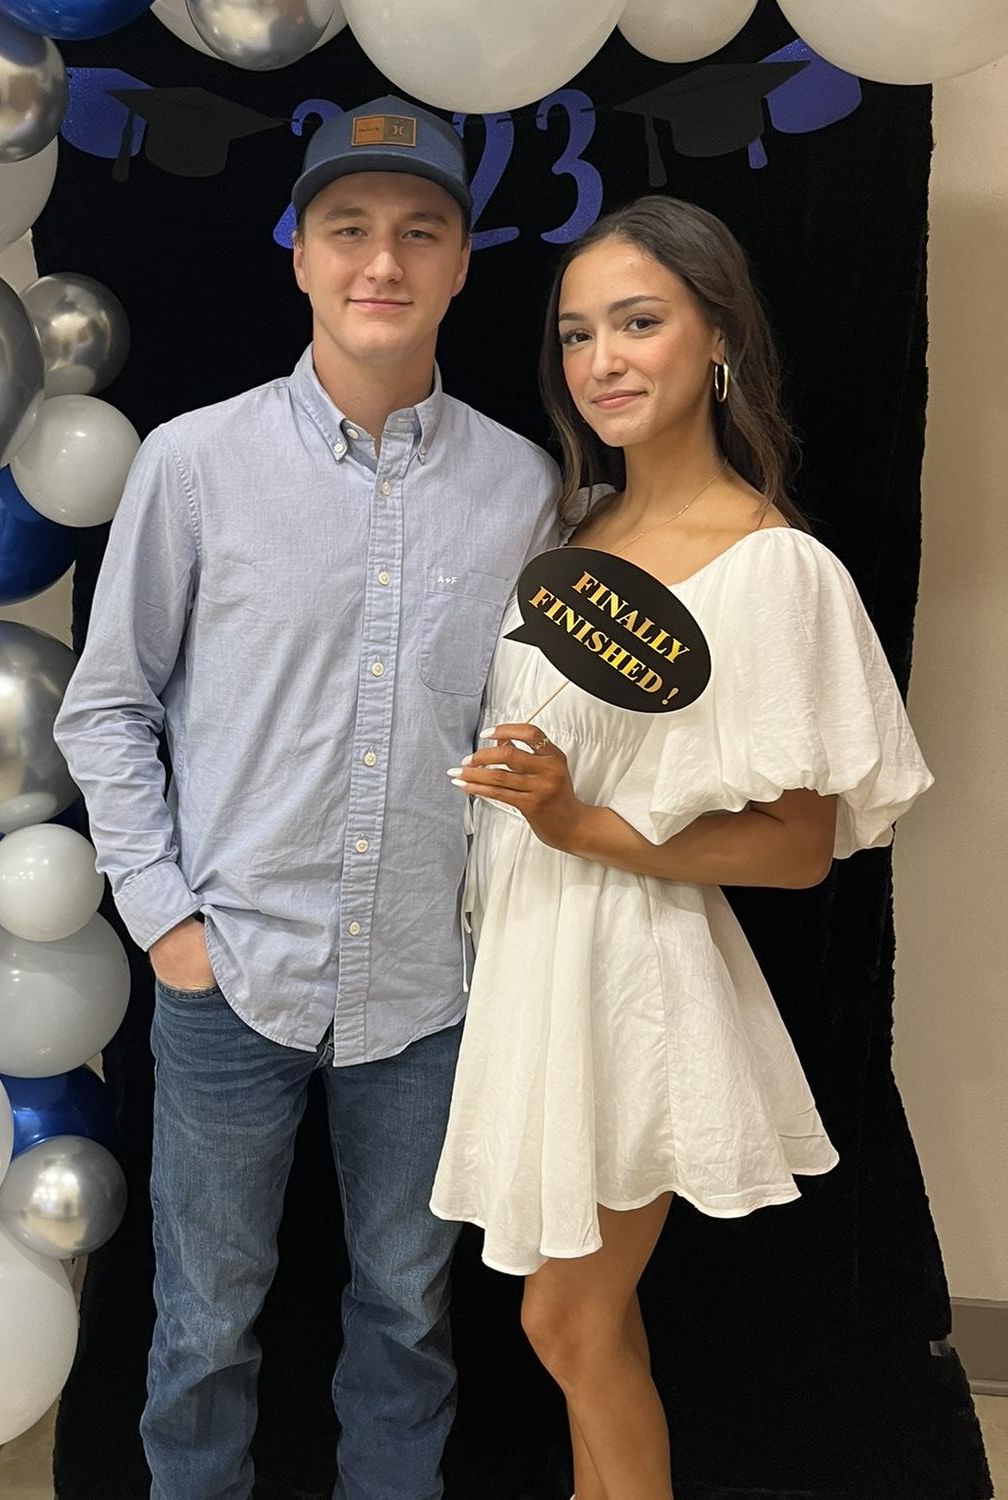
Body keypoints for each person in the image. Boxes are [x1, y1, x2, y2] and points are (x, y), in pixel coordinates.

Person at [53, 96, 559, 1500]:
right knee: (204, 1322)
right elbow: (108, 705)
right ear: (299, 254)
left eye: (420, 231)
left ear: (462, 262)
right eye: (349, 229)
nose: (382, 261)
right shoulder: (193, 464)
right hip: (232, 975)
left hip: (428, 992)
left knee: (408, 1314)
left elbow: (527, 735)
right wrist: (167, 923)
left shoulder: (522, 489)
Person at [431, 195, 934, 1500]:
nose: (602, 360)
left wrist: (576, 820)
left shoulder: (774, 569)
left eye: (639, 322)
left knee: (565, 1320)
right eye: (578, 332)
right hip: (530, 959)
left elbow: (798, 849)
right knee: (579, 1323)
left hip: (633, 974)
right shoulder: (570, 530)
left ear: (718, 337)